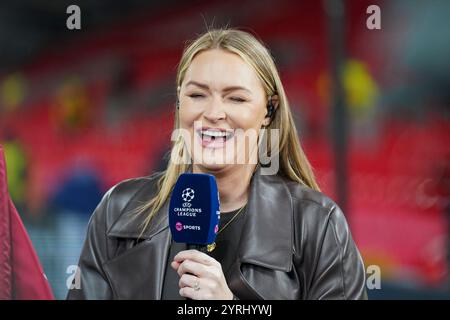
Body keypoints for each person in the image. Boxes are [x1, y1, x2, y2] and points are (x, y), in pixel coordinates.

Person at [67, 28, 367, 300]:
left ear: (268, 110)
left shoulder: (317, 224)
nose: (213, 112)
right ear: (179, 103)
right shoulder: (118, 210)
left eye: (235, 98)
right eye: (197, 95)